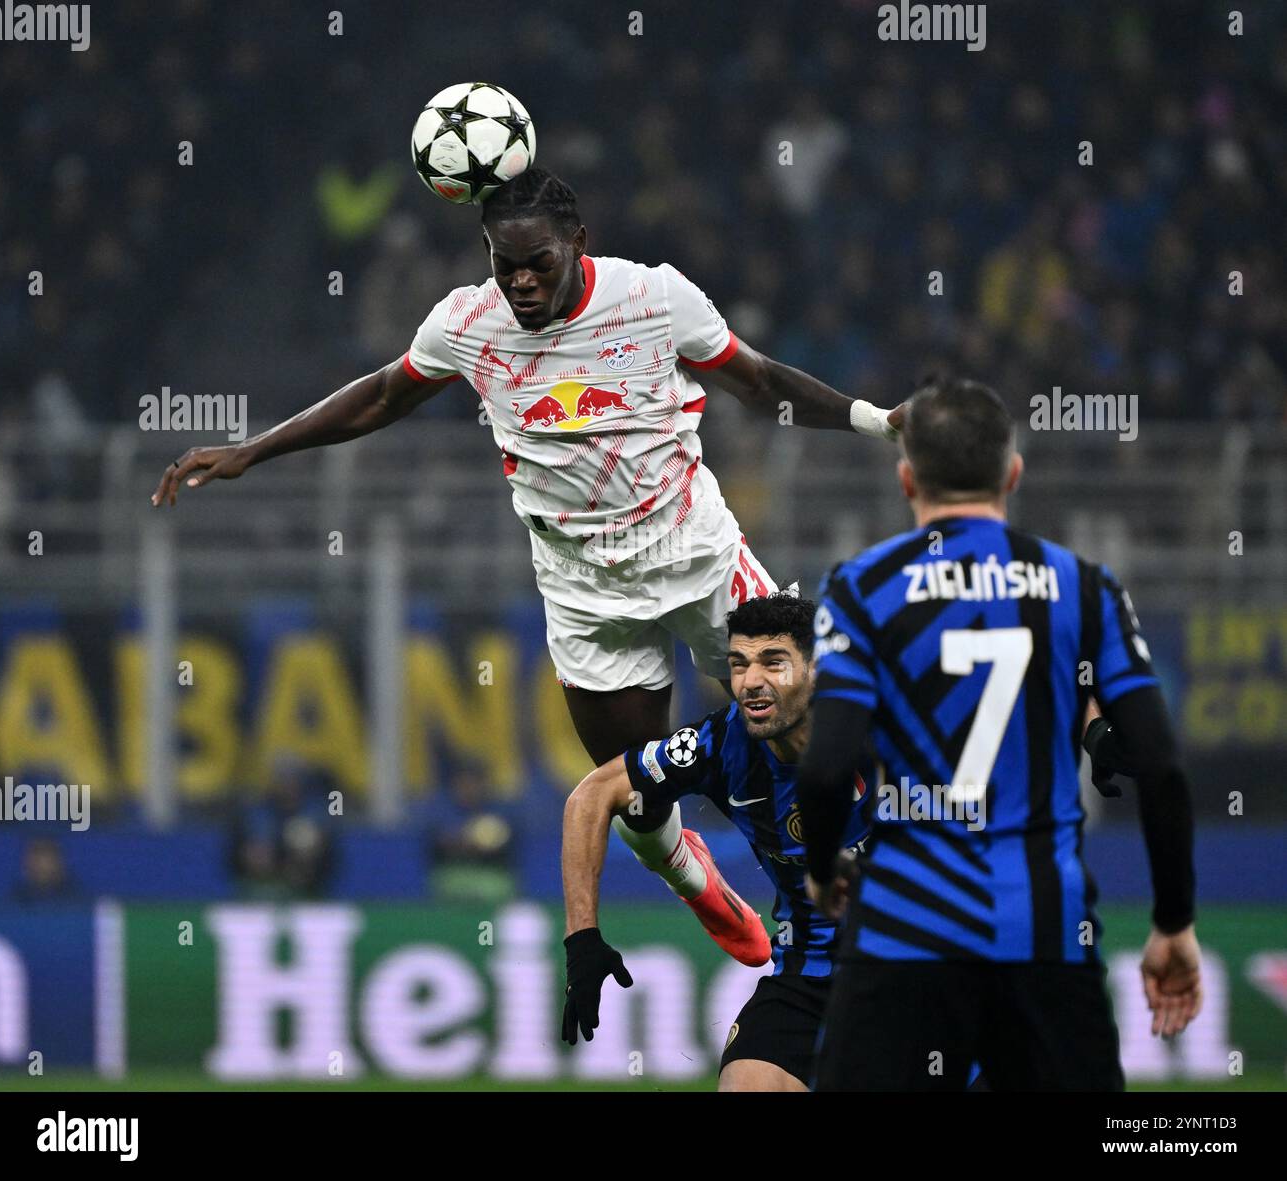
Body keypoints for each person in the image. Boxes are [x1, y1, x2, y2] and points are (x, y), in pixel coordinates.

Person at [150, 166, 905, 960]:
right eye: (502, 263)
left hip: (698, 555)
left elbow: (758, 382)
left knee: (815, 715)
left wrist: (877, 420)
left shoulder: (653, 298)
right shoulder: (468, 322)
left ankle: (877, 877)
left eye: (537, 261)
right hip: (584, 594)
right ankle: (694, 878)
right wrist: (255, 449)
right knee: (638, 807)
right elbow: (379, 396)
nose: (519, 280)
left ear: (578, 242)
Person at [797, 376, 1202, 1091]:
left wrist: (824, 867)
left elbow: (828, 766)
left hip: (902, 933)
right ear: (1013, 473)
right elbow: (1162, 766)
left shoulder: (861, 587)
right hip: (1044, 934)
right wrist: (1173, 921)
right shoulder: (1084, 586)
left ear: (905, 478)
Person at [558, 593, 872, 1091]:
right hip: (810, 976)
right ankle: (686, 868)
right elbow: (591, 797)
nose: (751, 682)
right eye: (739, 664)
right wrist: (582, 940)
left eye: (773, 663)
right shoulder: (722, 744)